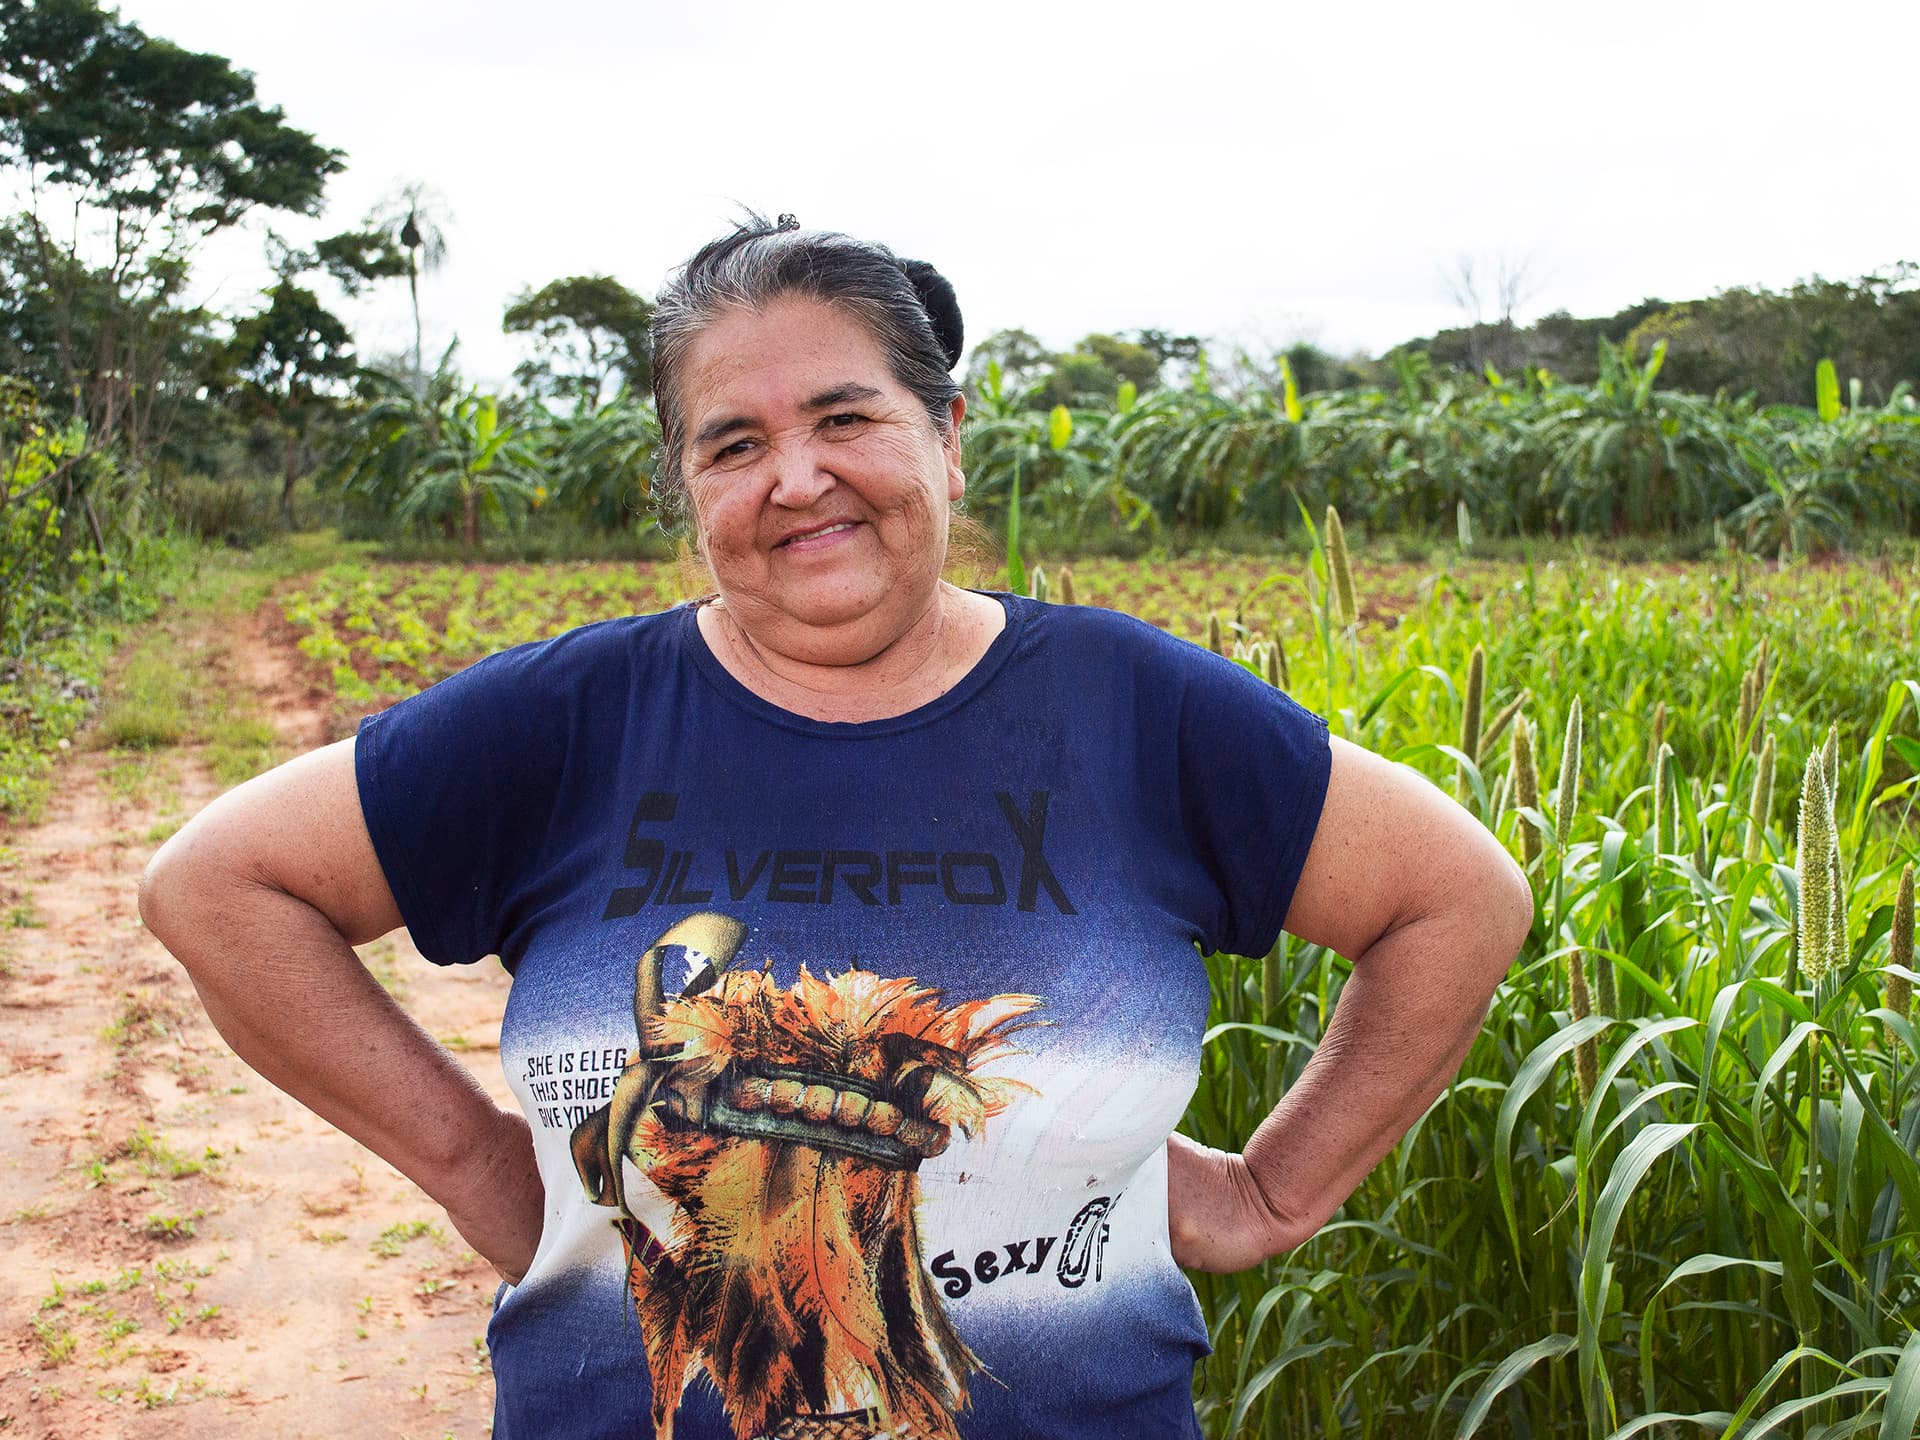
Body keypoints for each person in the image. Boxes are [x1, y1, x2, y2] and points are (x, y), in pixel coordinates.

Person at [140, 215, 1532, 1440]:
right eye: (734, 444)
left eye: (845, 418)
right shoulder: (569, 722)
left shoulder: (1130, 711)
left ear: (948, 438)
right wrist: (477, 1167)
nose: (796, 479)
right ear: (687, 489)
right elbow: (219, 885)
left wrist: (1267, 1198)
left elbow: (1456, 898)